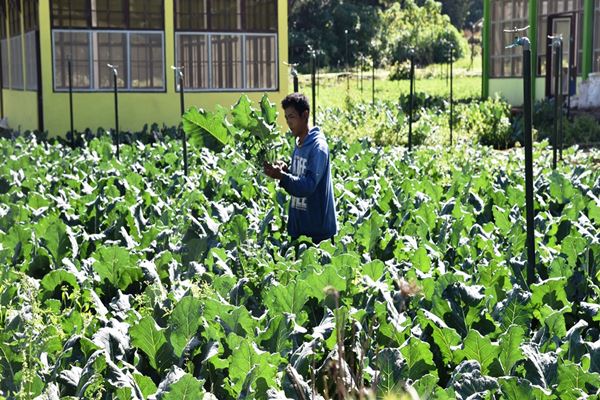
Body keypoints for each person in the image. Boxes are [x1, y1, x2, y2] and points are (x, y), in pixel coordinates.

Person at [263, 93, 337, 244]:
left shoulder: (318, 147)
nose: (288, 122)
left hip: (317, 234)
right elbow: (300, 177)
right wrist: (286, 171)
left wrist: (283, 177)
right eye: (286, 118)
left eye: (292, 117)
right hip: (299, 229)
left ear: (305, 115)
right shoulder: (299, 142)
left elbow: (308, 185)